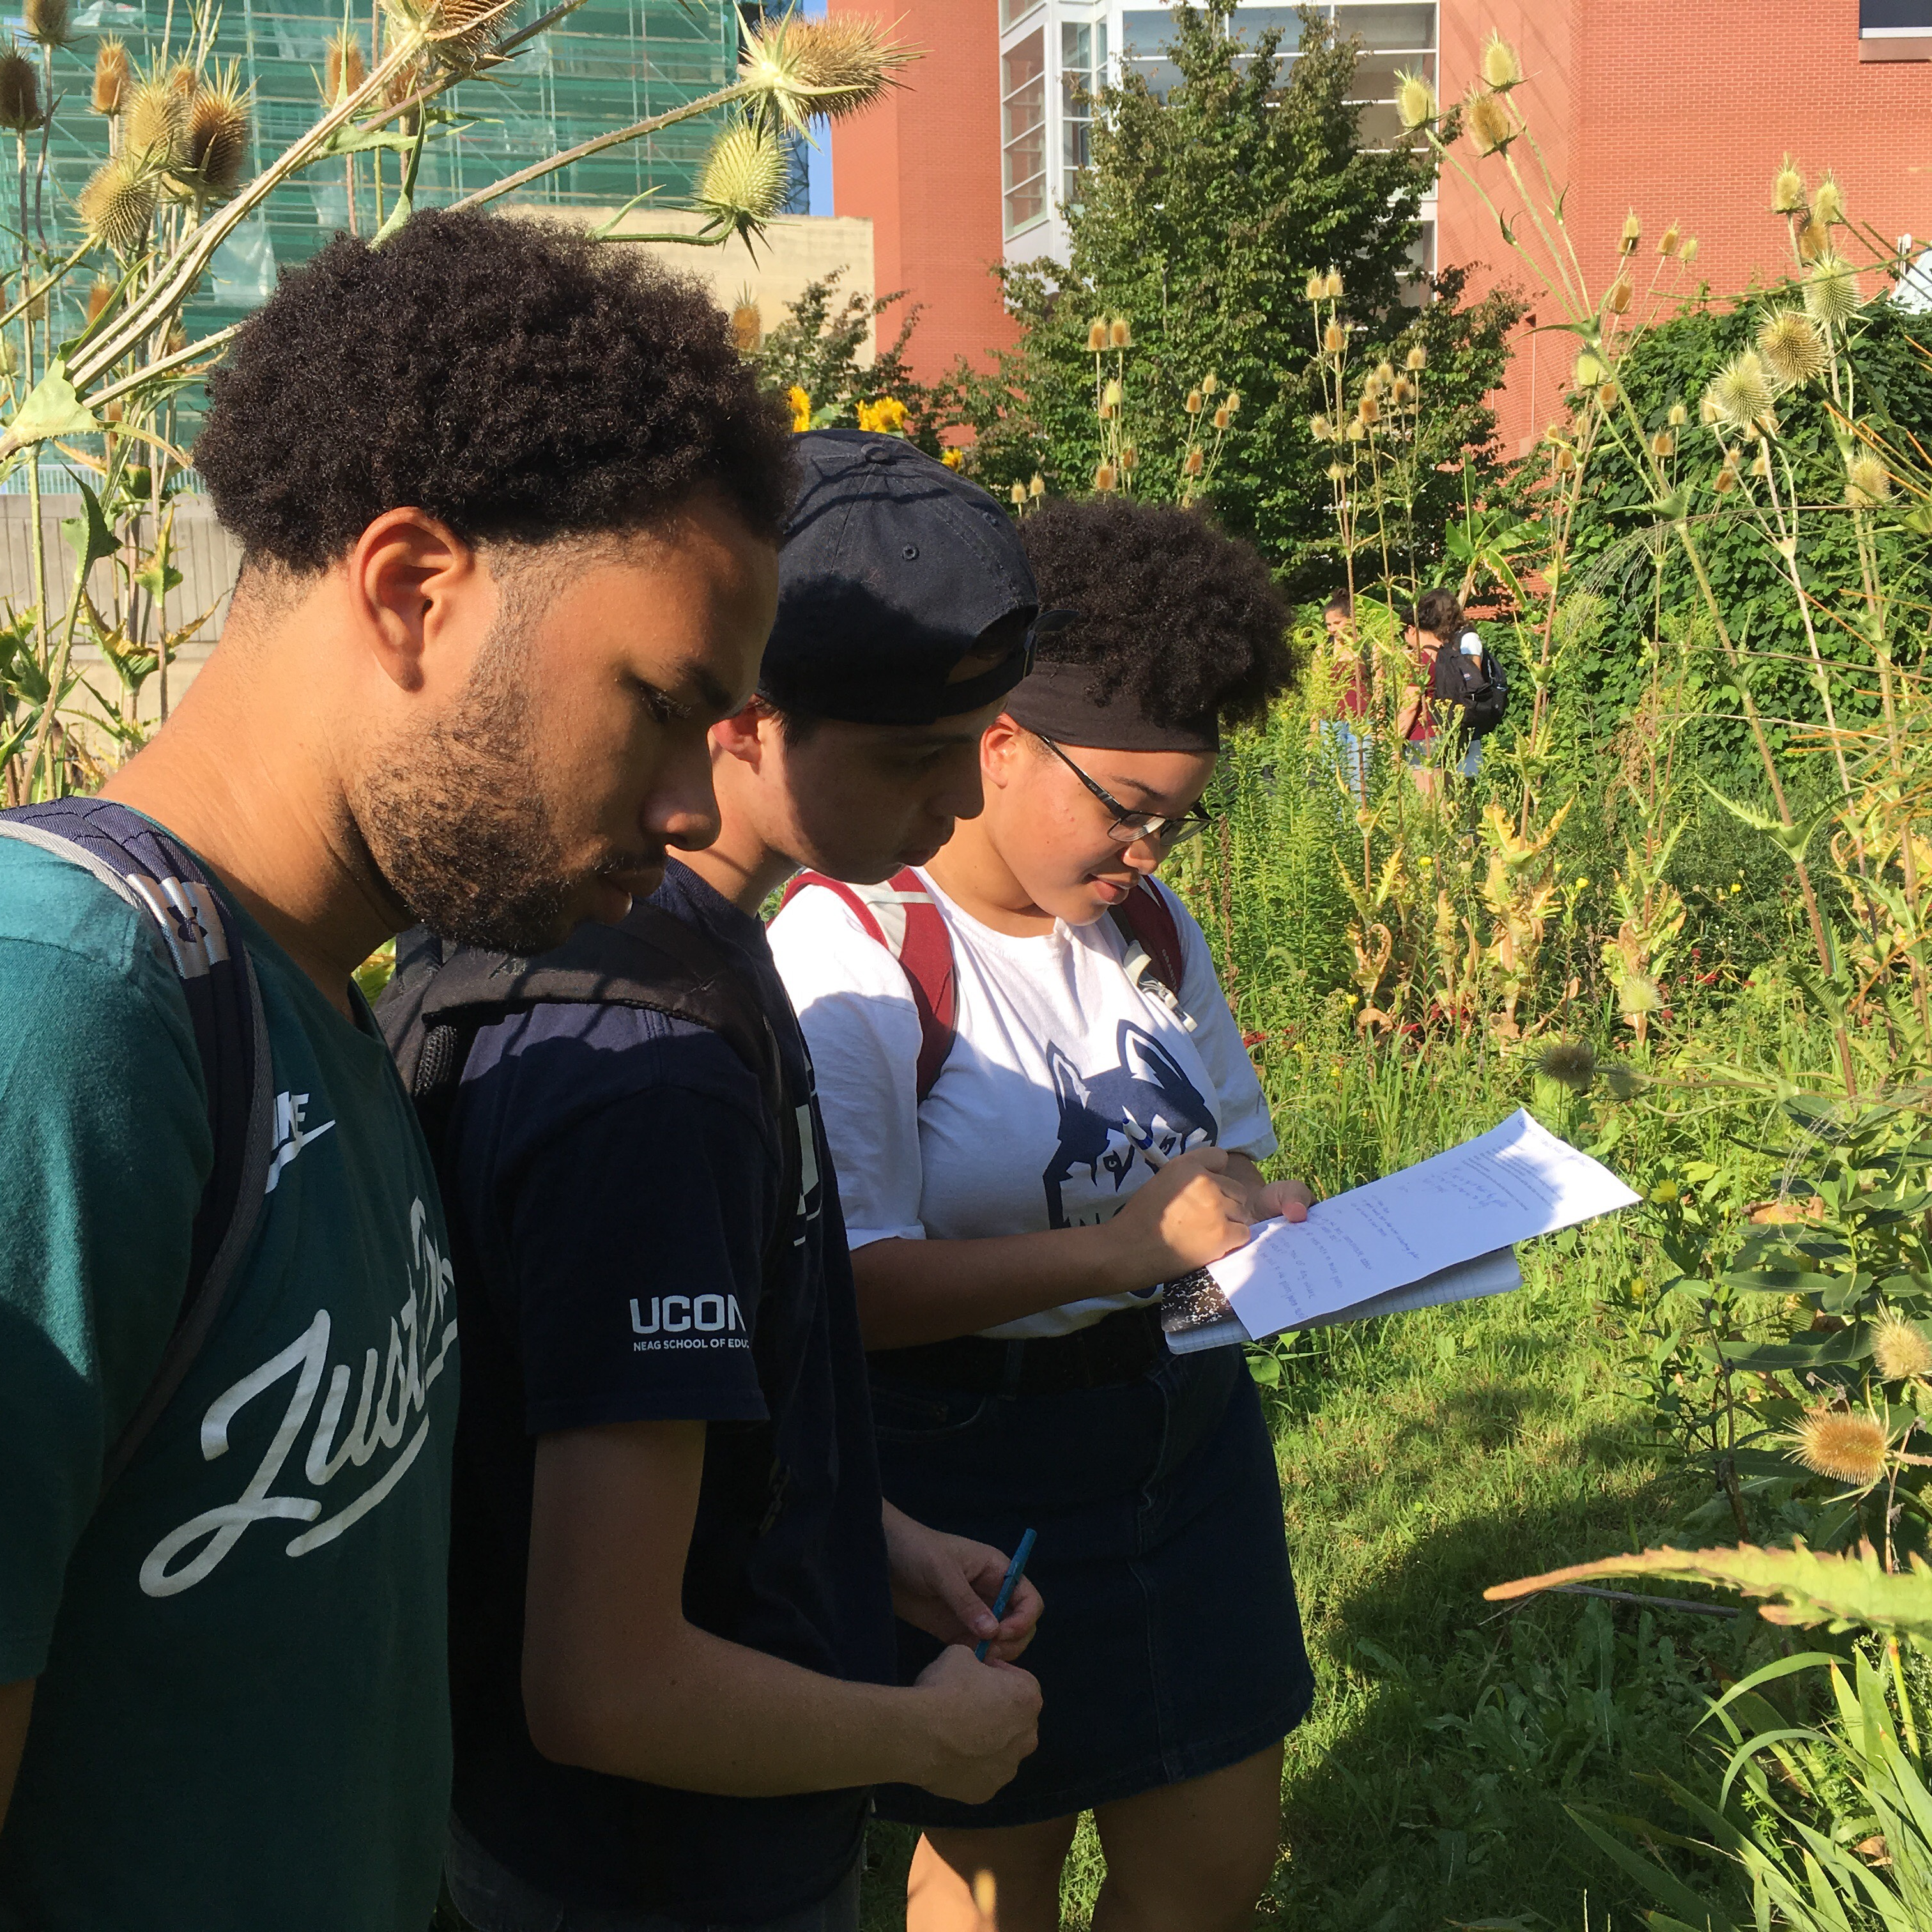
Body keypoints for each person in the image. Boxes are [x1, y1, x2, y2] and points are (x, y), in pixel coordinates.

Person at [0, 211, 795, 1932]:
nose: (688, 807)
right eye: (661, 707)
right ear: (414, 591)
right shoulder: (58, 1028)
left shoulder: (312, 1005)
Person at [408, 429, 1046, 1932]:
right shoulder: (650, 1068)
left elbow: (641, 1399)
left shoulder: (596, 914)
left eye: (980, 738)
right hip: (650, 1864)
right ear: (742, 714)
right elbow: (606, 1687)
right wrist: (921, 1739)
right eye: (907, 754)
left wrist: (869, 1543)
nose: (963, 800)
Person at [771, 496, 1319, 1932]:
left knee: (1218, 1836)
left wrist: (1279, 1230)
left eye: (1177, 821)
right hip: (966, 1468)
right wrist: (1120, 1252)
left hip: (1183, 1428)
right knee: (996, 1854)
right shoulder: (852, 945)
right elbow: (848, 1287)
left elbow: (1230, 1178)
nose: (1148, 851)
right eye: (1124, 809)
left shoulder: (1147, 929)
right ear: (1001, 744)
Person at [1393, 586, 1485, 797]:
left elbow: (1410, 707)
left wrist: (1395, 743)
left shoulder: (1421, 660)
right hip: (1448, 733)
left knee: (1430, 804)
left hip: (1422, 737)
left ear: (1412, 630)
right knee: (1449, 800)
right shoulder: (1450, 651)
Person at [1312, 590, 1370, 804]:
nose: (1332, 630)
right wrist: (1314, 728)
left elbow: (1380, 687)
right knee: (1334, 781)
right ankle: (1339, 830)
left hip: (1363, 722)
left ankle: (1361, 828)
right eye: (1328, 625)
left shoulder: (1368, 648)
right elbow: (1317, 691)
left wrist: (1381, 721)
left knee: (1361, 780)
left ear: (1352, 620)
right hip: (1331, 722)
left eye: (1337, 623)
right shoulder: (1323, 651)